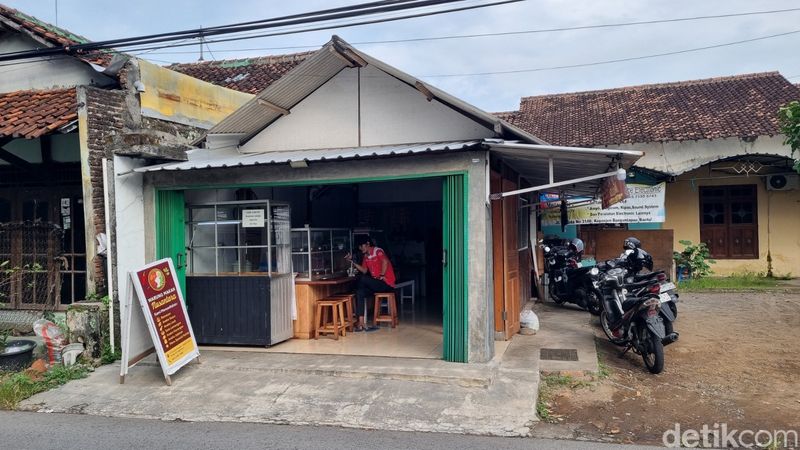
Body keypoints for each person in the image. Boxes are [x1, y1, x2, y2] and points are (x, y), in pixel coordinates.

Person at [344, 236, 396, 331]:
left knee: (362, 279)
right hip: (376, 284)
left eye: (362, 246)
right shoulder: (366, 256)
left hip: (385, 283)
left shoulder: (377, 251)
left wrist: (382, 275)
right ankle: (361, 323)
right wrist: (352, 261)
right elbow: (364, 270)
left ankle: (353, 289)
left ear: (368, 244)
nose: (361, 248)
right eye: (359, 247)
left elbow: (385, 261)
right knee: (359, 292)